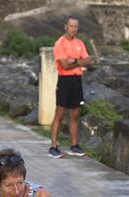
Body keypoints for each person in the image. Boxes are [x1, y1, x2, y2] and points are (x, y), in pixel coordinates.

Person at [48, 16, 91, 159]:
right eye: (71, 26)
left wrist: (74, 60)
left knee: (75, 115)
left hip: (77, 80)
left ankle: (74, 146)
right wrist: (80, 62)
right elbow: (65, 65)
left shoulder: (80, 43)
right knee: (59, 115)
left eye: (76, 27)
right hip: (65, 81)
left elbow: (88, 61)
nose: (74, 29)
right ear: (65, 26)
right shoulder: (59, 43)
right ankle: (53, 146)